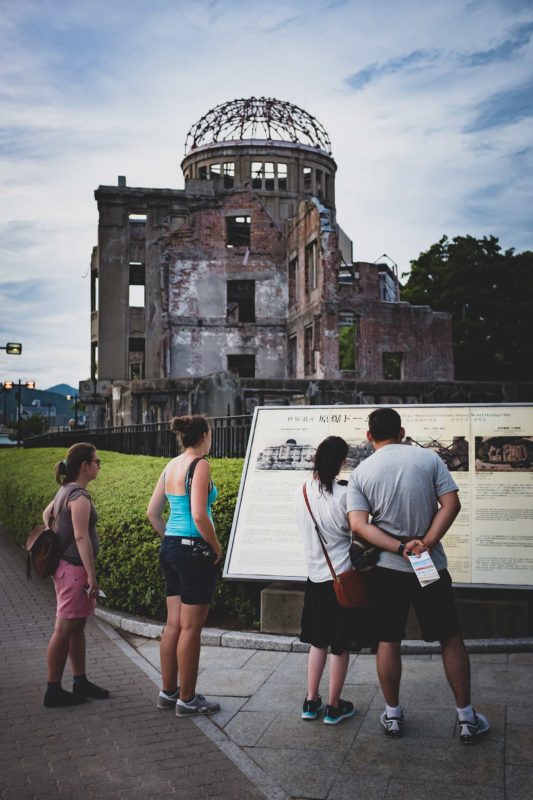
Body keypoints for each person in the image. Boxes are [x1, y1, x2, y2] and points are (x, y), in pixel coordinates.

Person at [347, 407, 490, 744]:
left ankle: (393, 715)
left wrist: (399, 548)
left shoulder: (362, 471)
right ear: (402, 431)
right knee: (450, 637)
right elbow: (451, 504)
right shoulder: (428, 460)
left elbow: (358, 524)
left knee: (388, 639)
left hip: (387, 569)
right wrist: (425, 543)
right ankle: (466, 717)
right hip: (430, 566)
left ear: (369, 436)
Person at [295, 436, 373, 725]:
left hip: (315, 577)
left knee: (317, 642)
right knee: (339, 645)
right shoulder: (344, 495)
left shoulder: (301, 490)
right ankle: (333, 706)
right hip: (342, 579)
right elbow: (358, 533)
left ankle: (310, 701)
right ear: (341, 462)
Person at [147, 416, 222, 717]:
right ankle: (188, 700)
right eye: (211, 434)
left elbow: (153, 513)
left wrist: (173, 541)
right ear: (204, 435)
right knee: (191, 628)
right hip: (195, 551)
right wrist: (215, 547)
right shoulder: (200, 465)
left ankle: (169, 693)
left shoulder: (171, 465)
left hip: (172, 548)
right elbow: (199, 515)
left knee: (174, 624)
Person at [43, 443, 109, 708]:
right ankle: (53, 689)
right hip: (74, 571)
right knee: (64, 629)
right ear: (85, 466)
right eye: (97, 461)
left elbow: (47, 514)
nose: (99, 466)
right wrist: (91, 576)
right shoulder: (78, 496)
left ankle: (80, 680)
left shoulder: (65, 490)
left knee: (77, 626)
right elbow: (81, 537)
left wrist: (57, 540)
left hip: (66, 567)